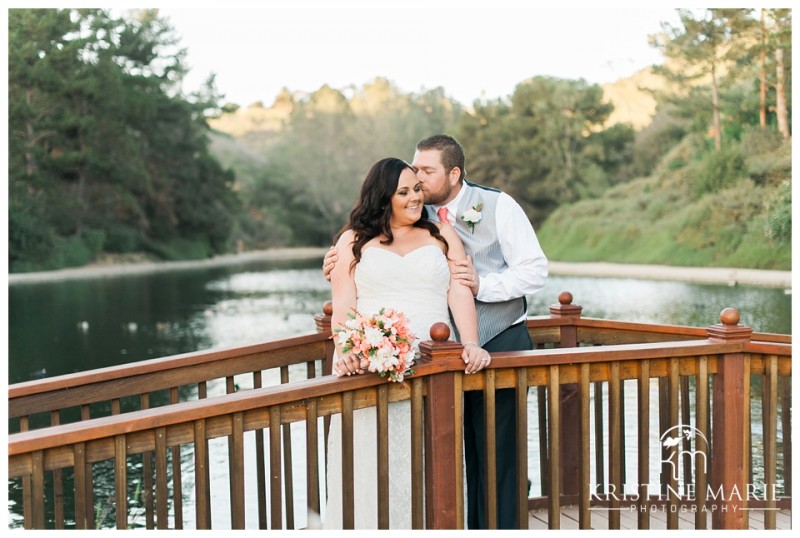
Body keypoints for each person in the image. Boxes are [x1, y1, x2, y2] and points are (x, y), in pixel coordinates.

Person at [323, 135, 548, 529]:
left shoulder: (493, 208)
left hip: (493, 341)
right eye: (413, 176)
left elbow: (531, 271)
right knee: (427, 453)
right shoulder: (389, 223)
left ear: (454, 173)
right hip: (416, 354)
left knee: (496, 453)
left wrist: (482, 294)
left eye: (426, 173)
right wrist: (338, 265)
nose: (418, 185)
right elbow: (349, 288)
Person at [323, 157, 490, 529]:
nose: (415, 198)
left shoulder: (441, 234)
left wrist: (473, 343)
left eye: (417, 188)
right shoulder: (352, 240)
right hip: (368, 365)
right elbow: (344, 305)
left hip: (433, 368)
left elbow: (459, 294)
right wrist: (348, 349)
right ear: (383, 197)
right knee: (369, 461)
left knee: (430, 459)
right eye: (404, 192)